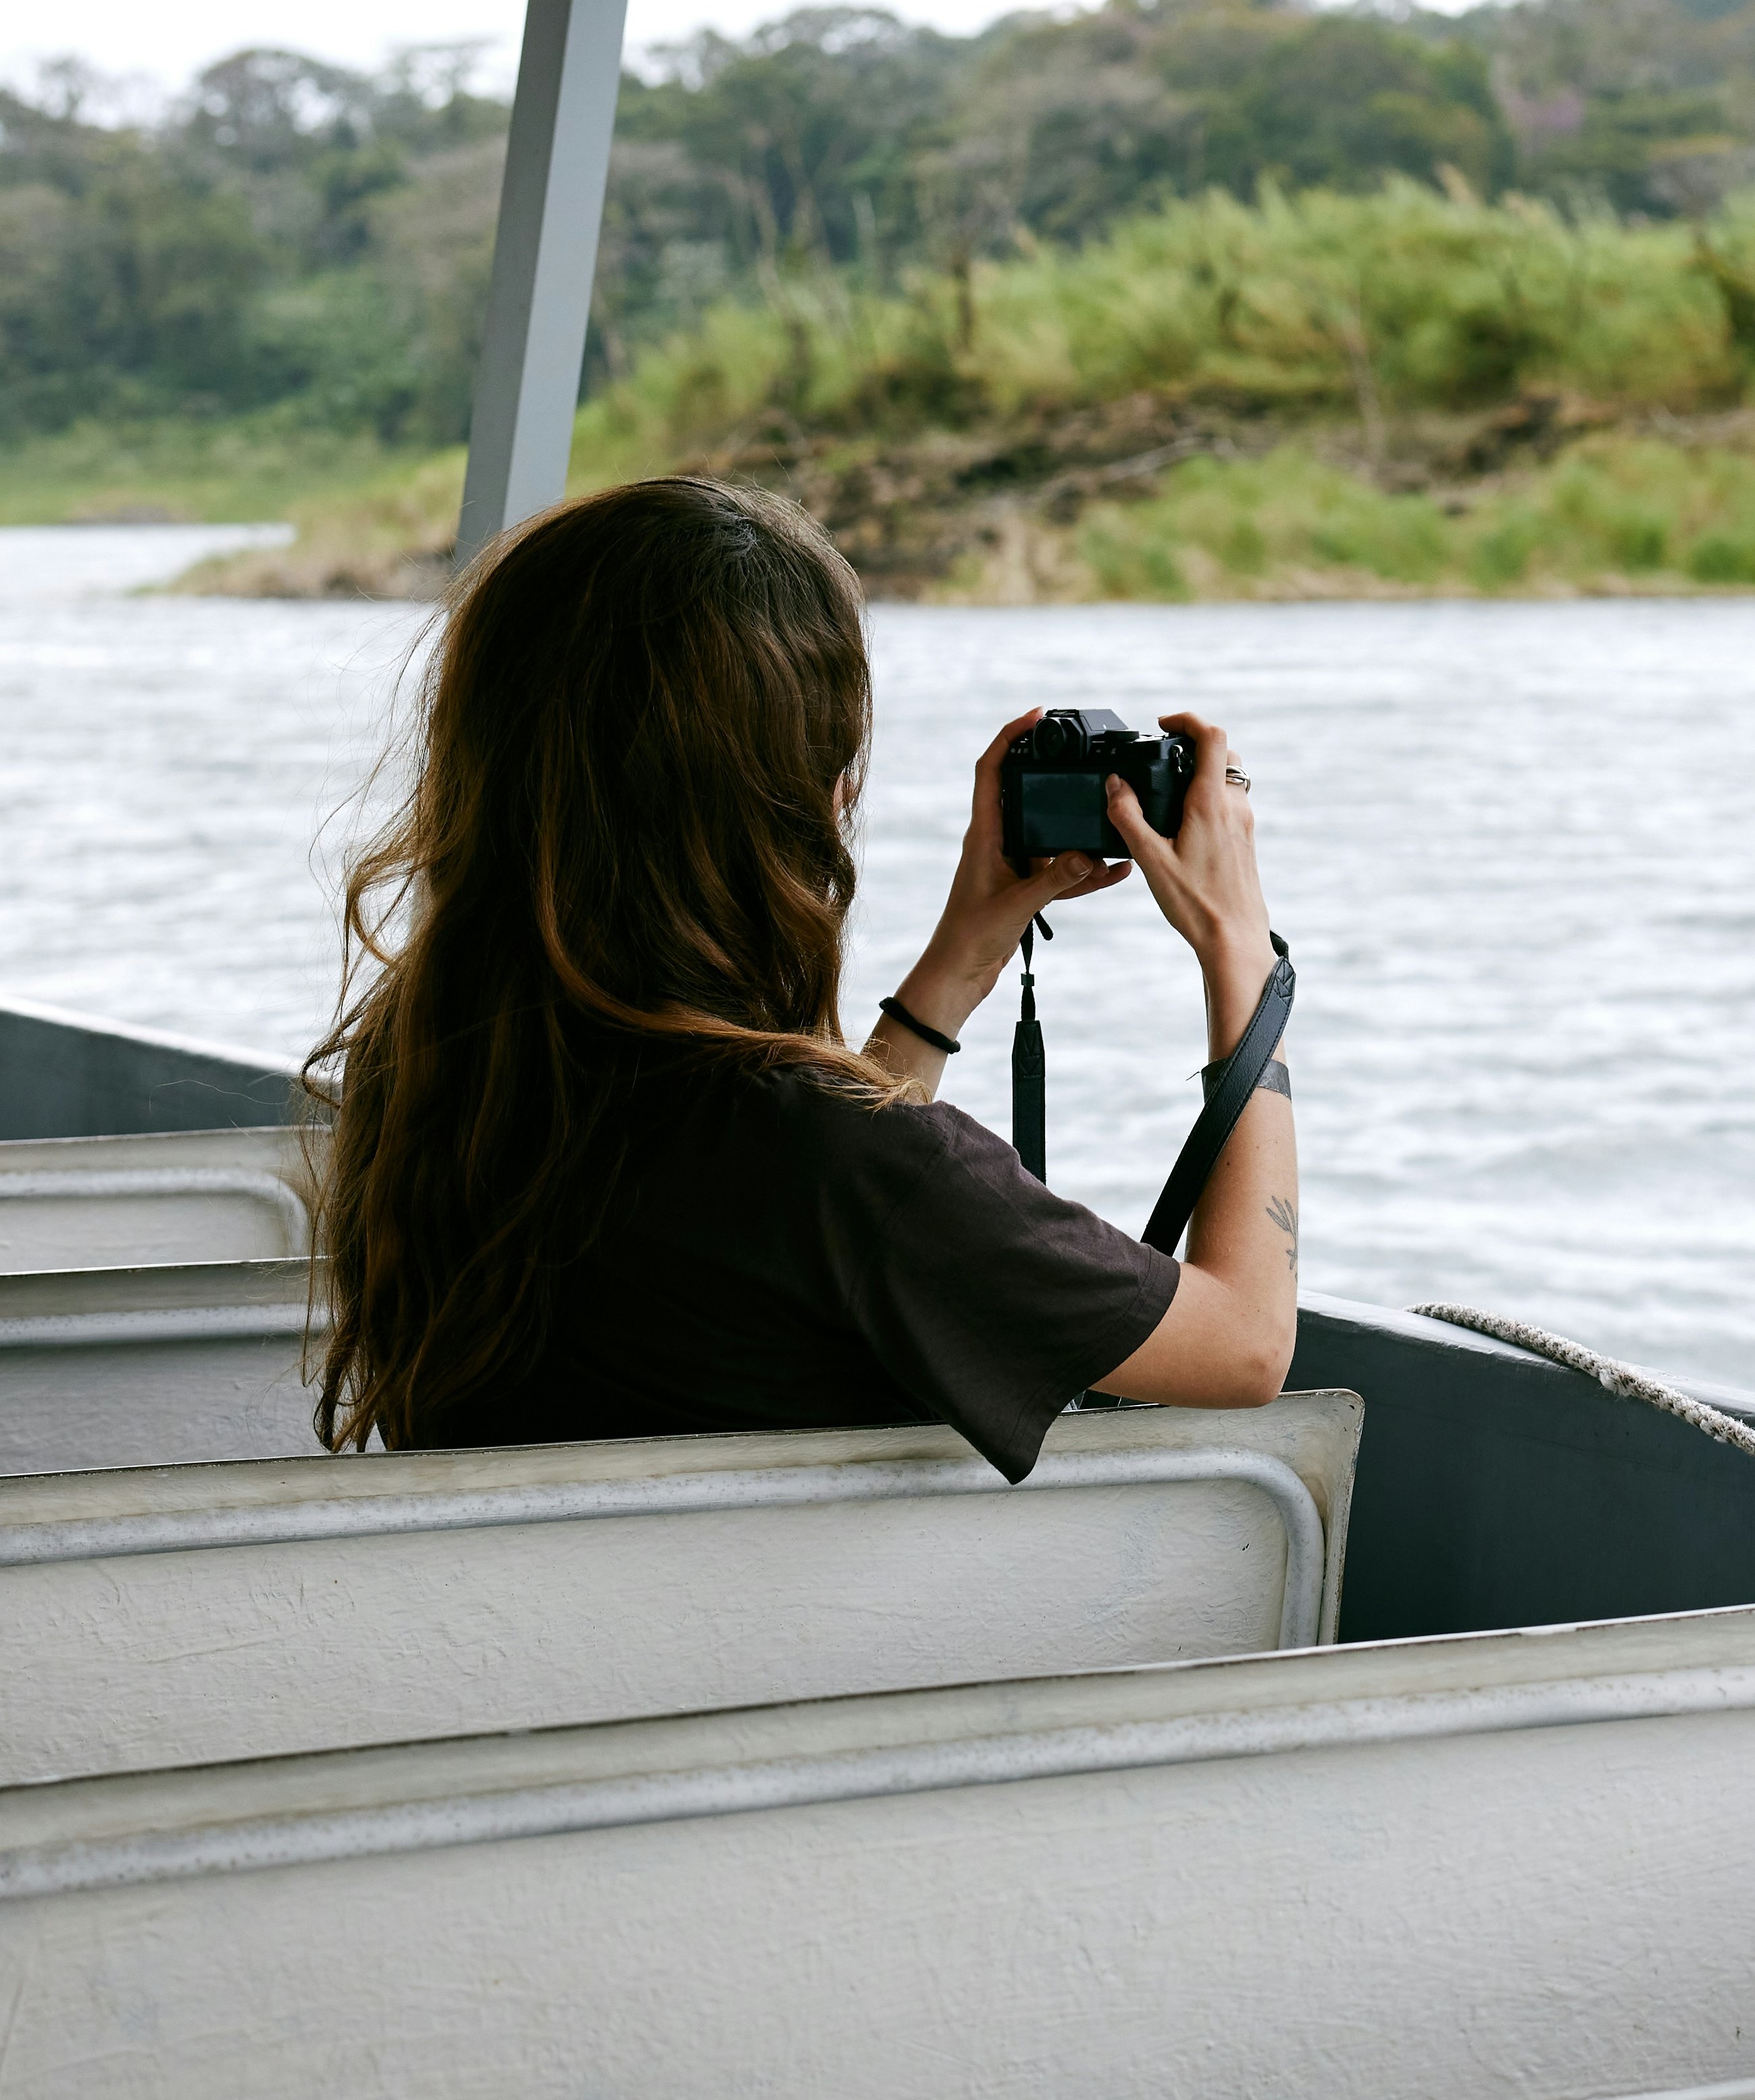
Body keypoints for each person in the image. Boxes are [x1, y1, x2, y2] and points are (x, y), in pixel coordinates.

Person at [310, 478, 1296, 1479]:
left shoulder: (432, 1076)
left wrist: (960, 959)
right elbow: (1247, 1343)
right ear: (813, 784)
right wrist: (1239, 956)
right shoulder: (834, 1161)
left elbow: (800, 1182)